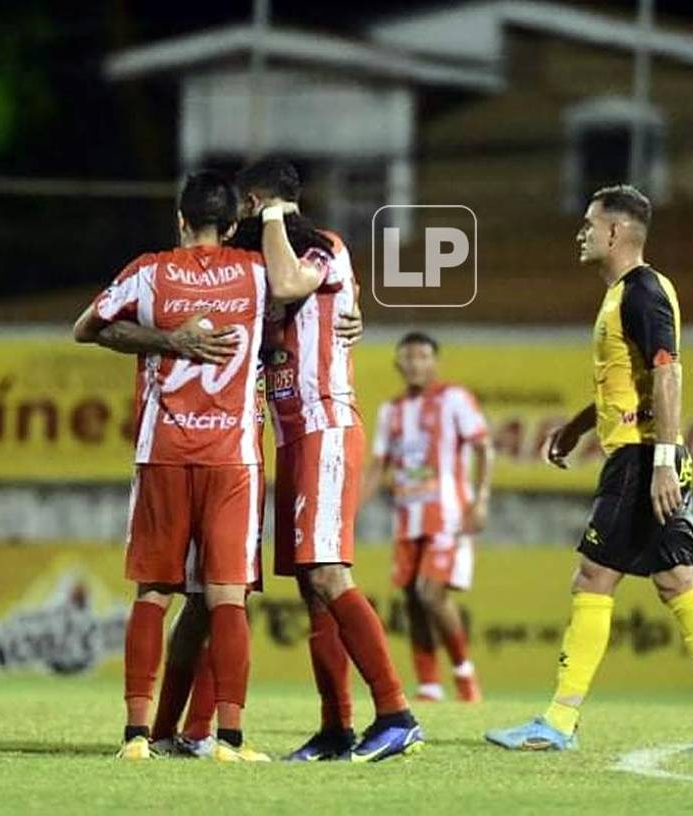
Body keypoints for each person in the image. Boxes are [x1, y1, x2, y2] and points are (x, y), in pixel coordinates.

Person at [485, 184, 693, 754]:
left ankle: (558, 721)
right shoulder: (624, 294)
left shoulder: (642, 292)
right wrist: (578, 426)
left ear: (616, 231)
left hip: (643, 459)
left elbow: (668, 372)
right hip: (646, 454)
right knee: (677, 581)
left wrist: (662, 461)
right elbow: (631, 380)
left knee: (594, 577)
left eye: (590, 224)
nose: (581, 233)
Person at [72, 170, 322, 762]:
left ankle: (136, 736)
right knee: (227, 596)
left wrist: (168, 340)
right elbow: (309, 290)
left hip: (163, 450)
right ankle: (229, 739)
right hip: (232, 457)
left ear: (180, 218)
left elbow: (87, 329)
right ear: (233, 225)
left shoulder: (149, 271)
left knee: (154, 593)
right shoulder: (258, 273)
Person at [237, 158, 423, 762]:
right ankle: (336, 727)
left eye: (248, 205)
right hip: (291, 434)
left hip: (327, 425)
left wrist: (271, 216)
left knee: (327, 573)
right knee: (310, 589)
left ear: (258, 202)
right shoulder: (261, 263)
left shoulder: (324, 248)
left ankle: (396, 713)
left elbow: (290, 285)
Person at [364, 332, 491, 702]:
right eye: (408, 357)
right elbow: (379, 466)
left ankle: (464, 674)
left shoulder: (454, 398)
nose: (415, 363)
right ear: (398, 363)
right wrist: (350, 511)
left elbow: (484, 448)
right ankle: (429, 685)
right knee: (411, 597)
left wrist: (481, 500)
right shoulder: (391, 410)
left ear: (434, 362)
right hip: (407, 515)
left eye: (422, 356)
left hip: (449, 514)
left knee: (431, 593)